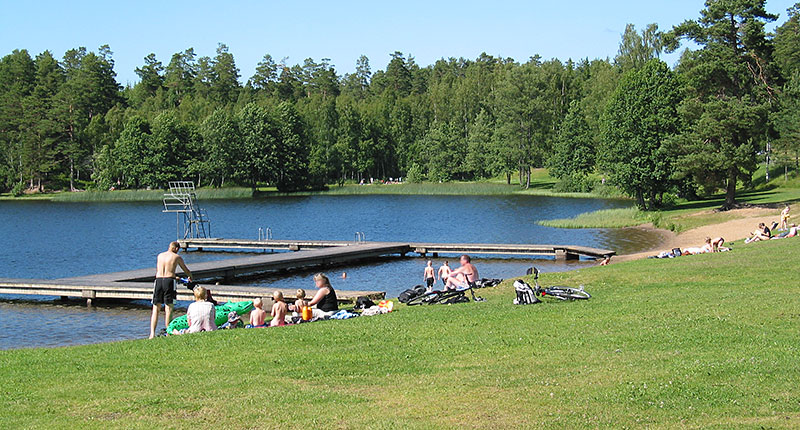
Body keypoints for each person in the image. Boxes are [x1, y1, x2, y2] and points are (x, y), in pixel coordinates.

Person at [150, 241, 193, 339]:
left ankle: (152, 334)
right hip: (169, 282)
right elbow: (186, 270)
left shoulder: (160, 256)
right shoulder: (176, 257)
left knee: (155, 308)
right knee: (168, 308)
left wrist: (175, 276)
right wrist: (190, 276)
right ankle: (168, 332)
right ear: (176, 248)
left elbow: (163, 271)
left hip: (158, 280)